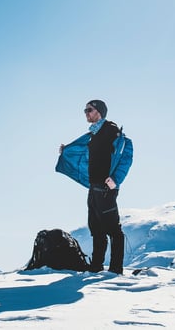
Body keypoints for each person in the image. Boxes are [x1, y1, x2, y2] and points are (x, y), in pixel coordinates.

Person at [58, 100, 126, 274]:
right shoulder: (93, 135)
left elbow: (126, 155)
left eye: (89, 110)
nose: (86, 113)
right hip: (94, 187)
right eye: (85, 110)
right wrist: (68, 150)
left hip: (106, 188)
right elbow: (86, 155)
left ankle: (116, 269)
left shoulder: (111, 130)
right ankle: (96, 266)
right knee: (96, 229)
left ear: (99, 112)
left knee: (113, 230)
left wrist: (115, 180)